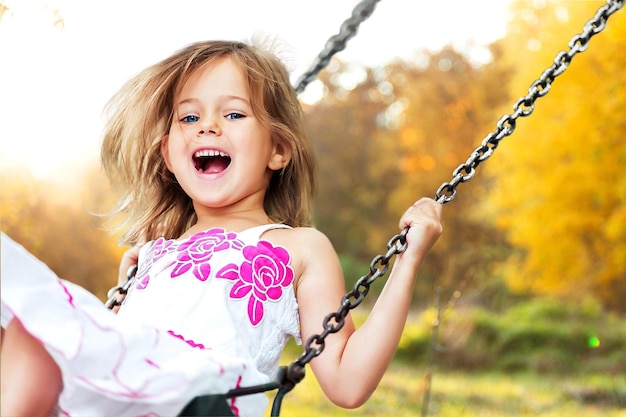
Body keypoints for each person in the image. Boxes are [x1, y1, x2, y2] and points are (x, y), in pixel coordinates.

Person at [0, 40, 442, 417]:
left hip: (208, 400)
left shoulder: (298, 247)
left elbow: (347, 383)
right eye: (189, 118)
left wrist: (408, 259)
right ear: (169, 156)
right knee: (29, 324)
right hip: (129, 398)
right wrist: (123, 299)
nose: (207, 125)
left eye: (233, 114)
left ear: (279, 150)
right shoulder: (154, 253)